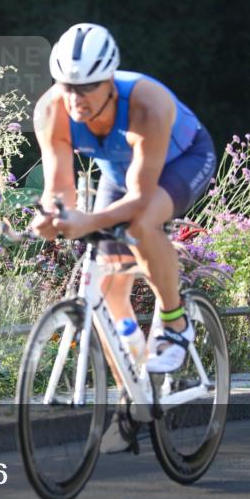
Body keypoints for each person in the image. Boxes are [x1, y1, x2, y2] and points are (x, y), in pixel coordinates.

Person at [30, 23, 216, 374]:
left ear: (111, 82)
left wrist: (88, 221)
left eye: (88, 87)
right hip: (119, 175)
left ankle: (175, 322)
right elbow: (59, 189)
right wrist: (49, 214)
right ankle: (132, 389)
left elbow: (141, 198)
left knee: (141, 224)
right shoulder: (51, 111)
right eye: (67, 86)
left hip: (182, 161)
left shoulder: (147, 104)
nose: (75, 98)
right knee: (106, 290)